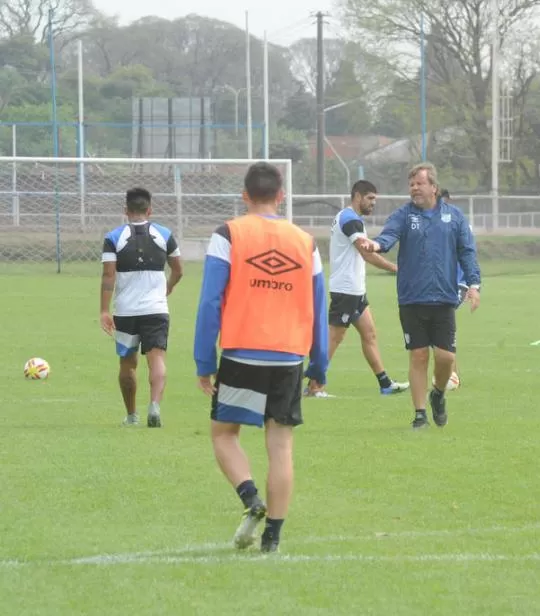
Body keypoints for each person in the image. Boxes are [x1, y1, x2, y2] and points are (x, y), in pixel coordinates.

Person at [193, 162, 328, 553]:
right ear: (281, 196)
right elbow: (320, 307)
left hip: (241, 353)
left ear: (245, 195)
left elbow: (210, 301)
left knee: (223, 434)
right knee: (281, 447)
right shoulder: (306, 241)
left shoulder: (228, 234)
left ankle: (251, 498)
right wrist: (319, 365)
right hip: (288, 358)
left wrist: (205, 361)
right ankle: (273, 537)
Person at [369, 163, 481, 429]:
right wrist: (375, 244)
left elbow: (467, 251)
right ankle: (419, 414)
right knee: (418, 355)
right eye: (411, 185)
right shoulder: (404, 215)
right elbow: (388, 237)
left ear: (434, 187)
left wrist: (474, 284)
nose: (414, 189)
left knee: (445, 358)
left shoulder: (453, 217)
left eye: (419, 183)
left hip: (443, 298)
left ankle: (438, 394)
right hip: (411, 298)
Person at [304, 180, 409, 398]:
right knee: (334, 338)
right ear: (358, 196)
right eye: (370, 199)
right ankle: (315, 385)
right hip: (346, 290)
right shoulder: (351, 220)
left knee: (369, 334)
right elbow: (367, 252)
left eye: (374, 200)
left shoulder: (347, 217)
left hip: (355, 290)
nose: (373, 204)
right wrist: (396, 268)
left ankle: (385, 383)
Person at [100, 187, 183, 428]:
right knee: (156, 359)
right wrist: (168, 287)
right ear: (149, 210)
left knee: (127, 364)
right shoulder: (164, 234)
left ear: (125, 211)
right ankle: (154, 405)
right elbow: (178, 270)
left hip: (125, 311)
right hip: (156, 309)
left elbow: (108, 276)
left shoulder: (113, 237)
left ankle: (132, 415)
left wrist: (104, 310)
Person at [440, 188, 467, 390]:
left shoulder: (455, 221)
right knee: (439, 328)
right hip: (440, 284)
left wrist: (471, 283)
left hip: (456, 284)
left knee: (442, 326)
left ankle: (452, 375)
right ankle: (451, 374)